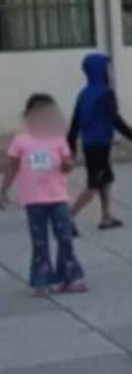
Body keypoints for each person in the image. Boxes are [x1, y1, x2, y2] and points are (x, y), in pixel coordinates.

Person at [1, 94, 87, 296]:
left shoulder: (58, 139)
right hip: (34, 200)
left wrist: (68, 165)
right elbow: (11, 167)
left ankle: (70, 276)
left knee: (64, 238)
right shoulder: (21, 141)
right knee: (39, 242)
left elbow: (67, 162)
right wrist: (4, 188)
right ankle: (42, 280)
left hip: (57, 198)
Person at [67, 52, 132, 231]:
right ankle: (67, 218)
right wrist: (130, 134)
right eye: (106, 69)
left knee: (105, 179)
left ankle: (106, 217)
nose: (109, 73)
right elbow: (114, 118)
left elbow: (75, 121)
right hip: (100, 144)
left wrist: (71, 143)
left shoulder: (83, 94)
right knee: (93, 184)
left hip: (90, 144)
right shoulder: (105, 93)